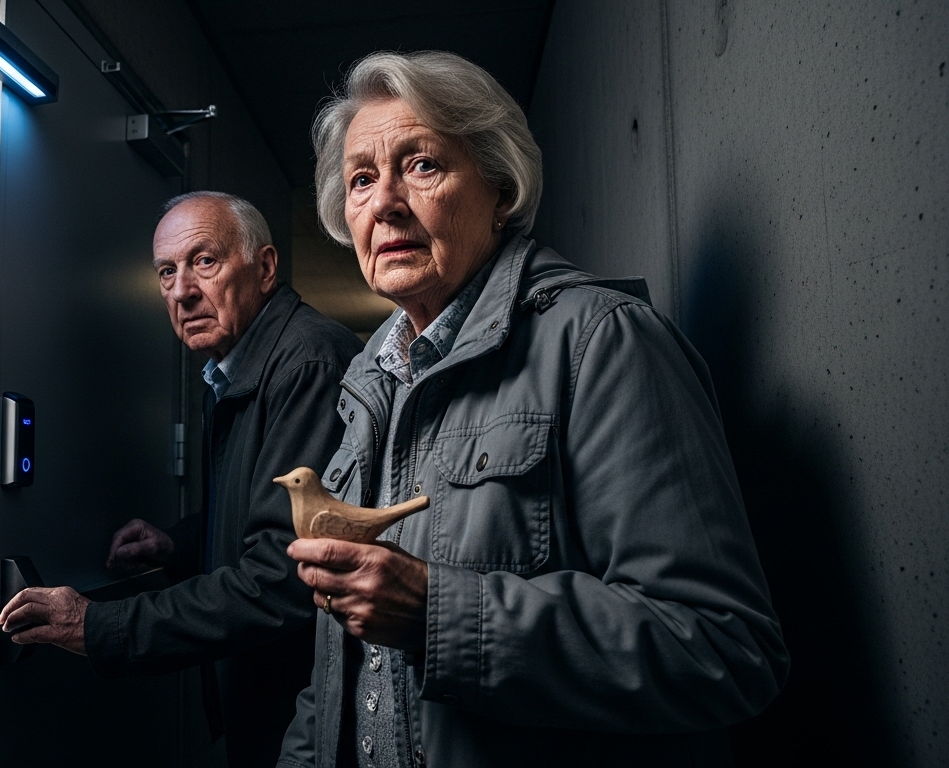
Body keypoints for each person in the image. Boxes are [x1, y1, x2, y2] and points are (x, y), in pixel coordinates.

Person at [277, 51, 790, 767]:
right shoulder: (368, 382)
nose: (384, 201)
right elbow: (342, 671)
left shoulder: (601, 341)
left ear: (502, 190)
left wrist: (437, 615)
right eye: (362, 179)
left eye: (420, 164)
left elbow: (723, 647)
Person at [0, 191, 364, 767]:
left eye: (205, 261)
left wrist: (101, 625)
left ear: (265, 267)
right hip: (269, 699)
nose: (182, 291)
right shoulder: (236, 368)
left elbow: (285, 575)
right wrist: (180, 544)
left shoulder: (307, 364)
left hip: (304, 712)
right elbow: (264, 514)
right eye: (166, 271)